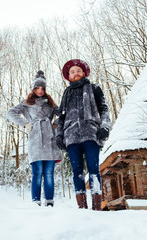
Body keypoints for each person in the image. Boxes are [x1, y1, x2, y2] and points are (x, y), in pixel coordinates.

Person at [56, 59, 111, 210]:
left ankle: (96, 207)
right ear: (69, 75)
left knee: (93, 169)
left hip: (90, 134)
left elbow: (104, 109)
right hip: (71, 136)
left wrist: (105, 126)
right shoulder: (66, 93)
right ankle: (82, 209)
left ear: (84, 72)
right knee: (77, 172)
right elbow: (61, 116)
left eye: (78, 71)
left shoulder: (94, 88)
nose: (76, 74)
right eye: (72, 72)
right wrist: (59, 135)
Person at [7, 70, 62, 207]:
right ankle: (35, 203)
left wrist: (55, 123)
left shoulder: (50, 103)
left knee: (49, 173)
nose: (40, 90)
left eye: (42, 88)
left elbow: (63, 115)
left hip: (50, 139)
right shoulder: (26, 103)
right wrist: (25, 124)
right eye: (37, 87)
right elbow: (11, 112)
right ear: (33, 88)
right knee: (37, 172)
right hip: (35, 139)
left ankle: (49, 202)